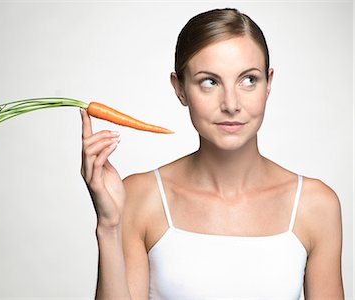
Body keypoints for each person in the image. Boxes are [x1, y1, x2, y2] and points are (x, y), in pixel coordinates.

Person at [80, 8, 344, 299]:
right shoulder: (139, 196)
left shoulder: (316, 205)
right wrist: (109, 227)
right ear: (179, 88)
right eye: (210, 82)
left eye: (248, 80)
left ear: (269, 83)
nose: (231, 104)